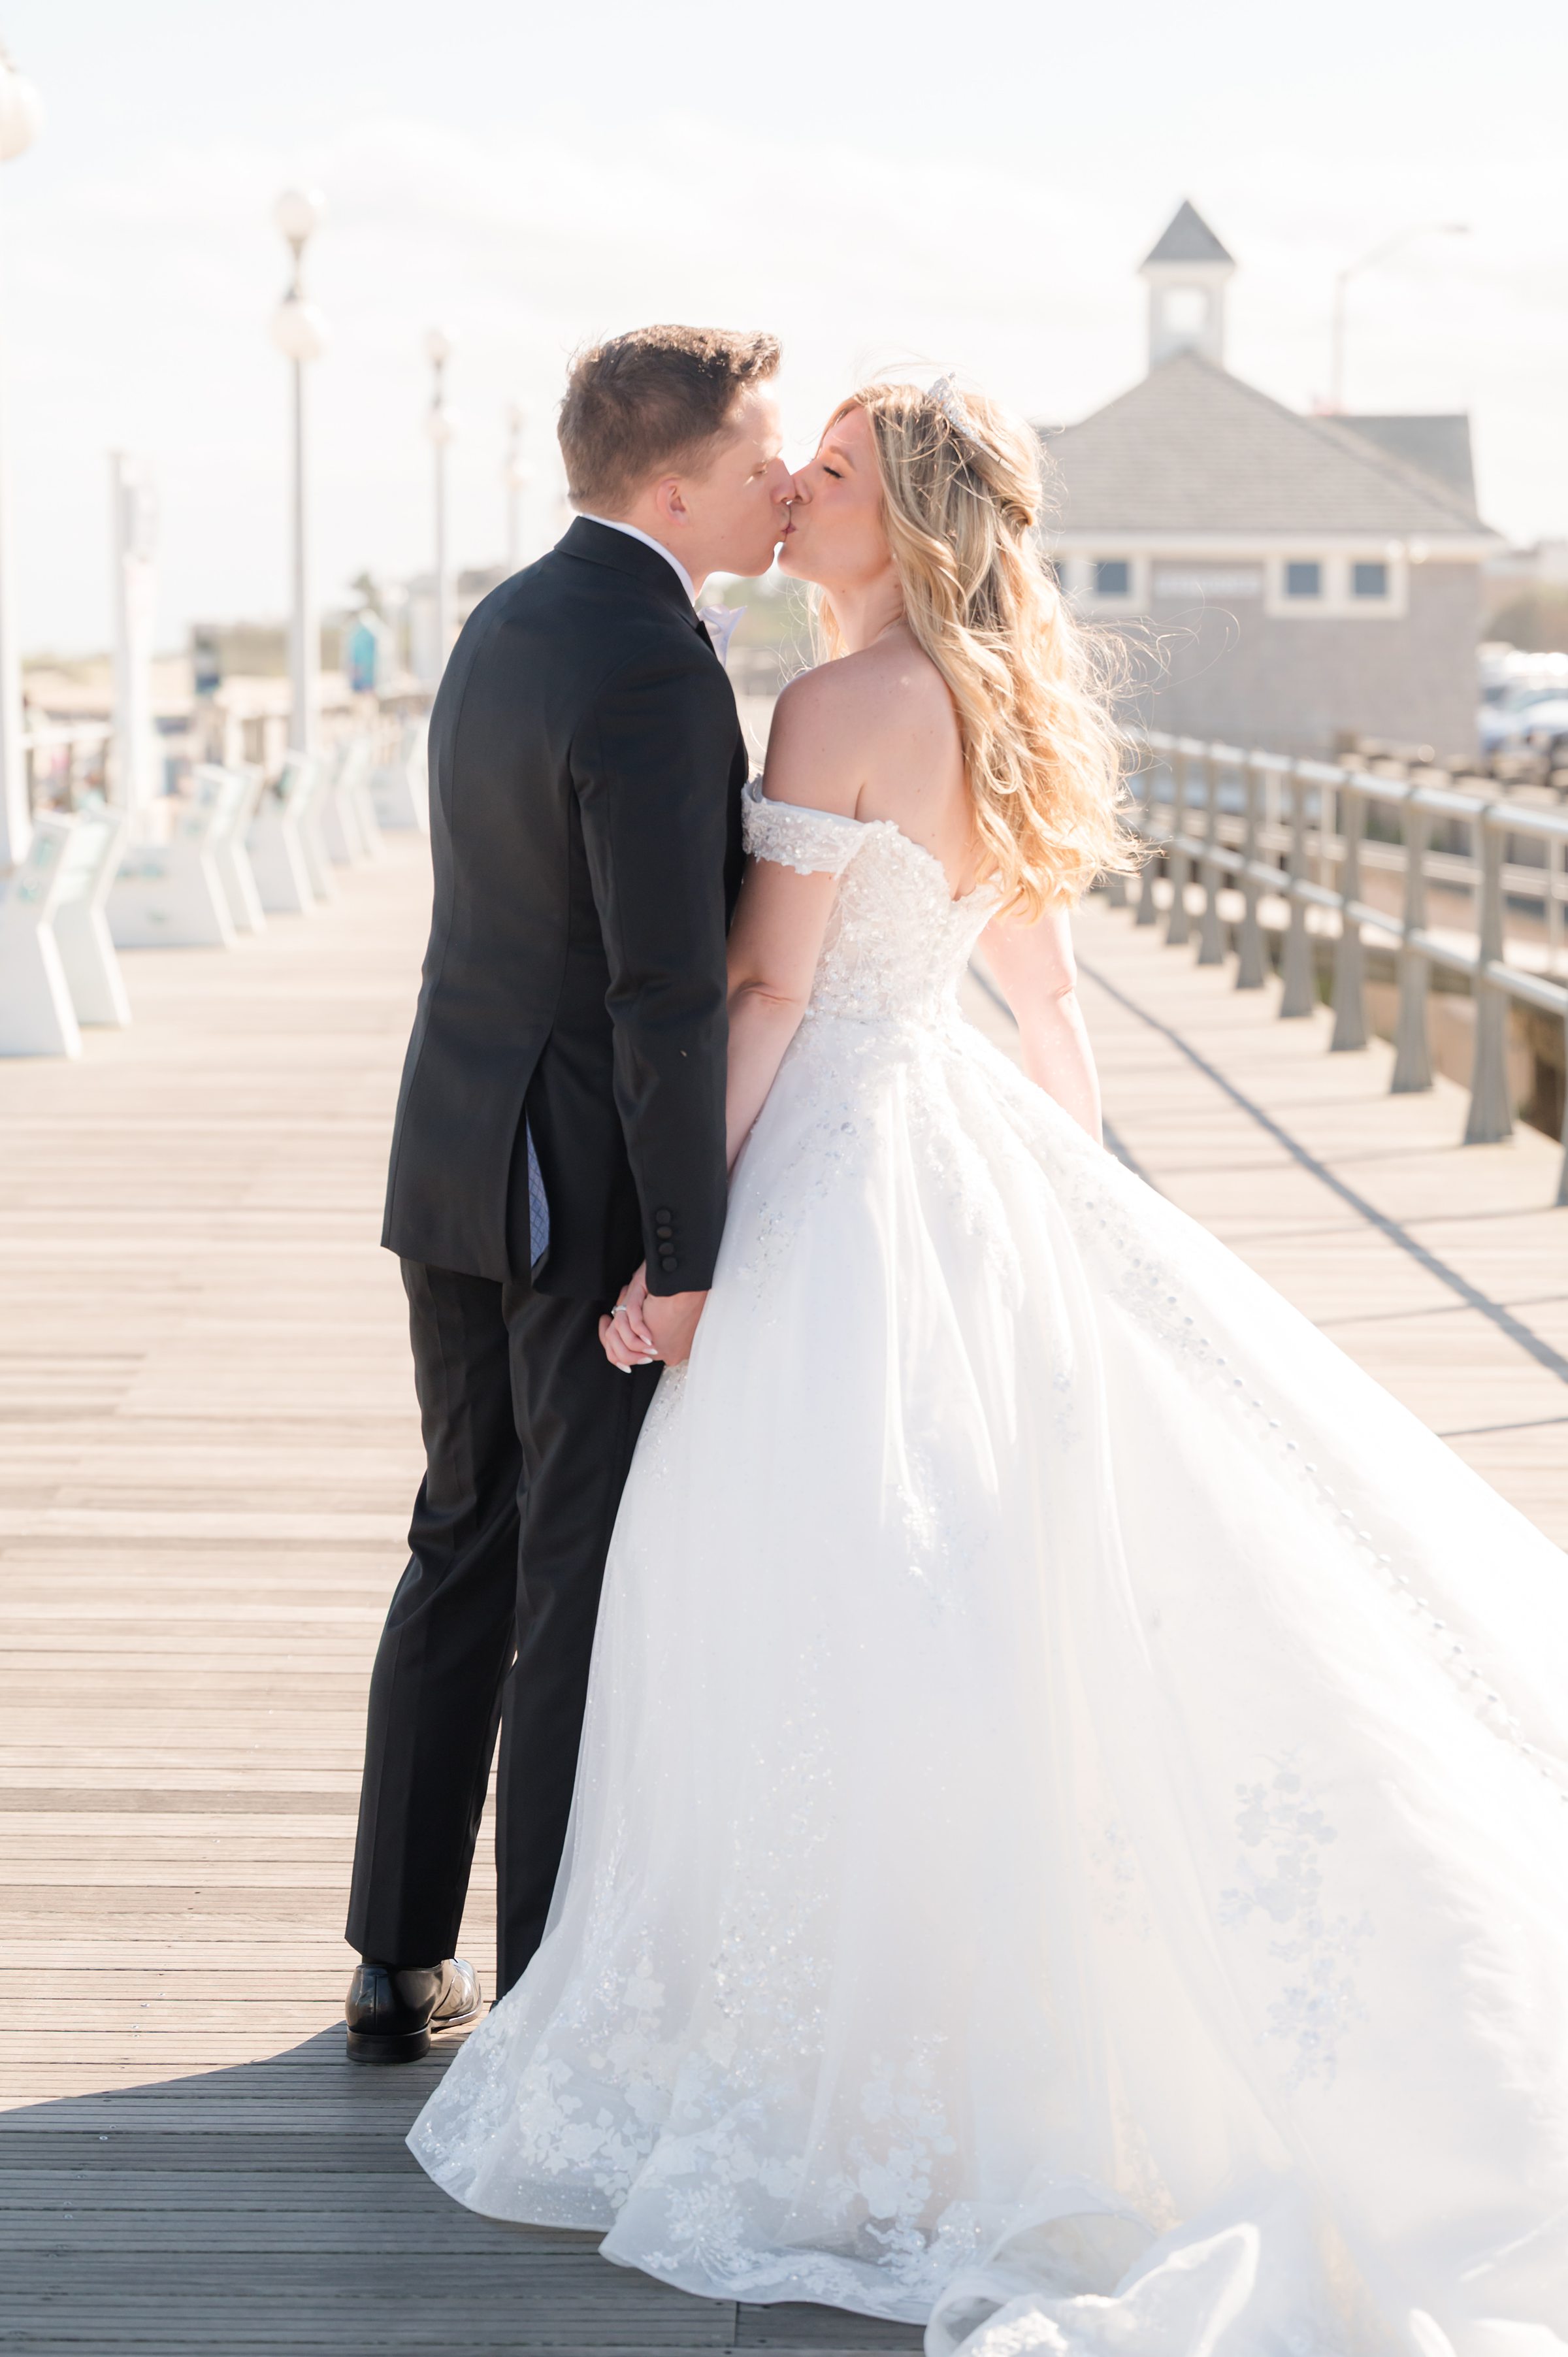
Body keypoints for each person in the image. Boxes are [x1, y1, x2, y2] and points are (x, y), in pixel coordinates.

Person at [407, 378, 1568, 2353]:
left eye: (833, 471)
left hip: (840, 1171)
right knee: (984, 1583)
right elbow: (1040, 993)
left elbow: (764, 993)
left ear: (903, 515)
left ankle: (832, 2032)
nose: (796, 486)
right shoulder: (999, 699)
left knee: (811, 1582)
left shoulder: (839, 710)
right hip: (962, 1148)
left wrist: (687, 1266)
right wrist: (1095, 1198)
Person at [342, 325, 795, 2062]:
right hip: (572, 1186)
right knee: (565, 1573)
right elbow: (662, 991)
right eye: (761, 454)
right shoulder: (654, 665)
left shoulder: (507, 617)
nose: (782, 482)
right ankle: (542, 1997)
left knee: (460, 1534)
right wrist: (685, 1254)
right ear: (673, 481)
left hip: (450, 1149)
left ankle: (396, 1957)